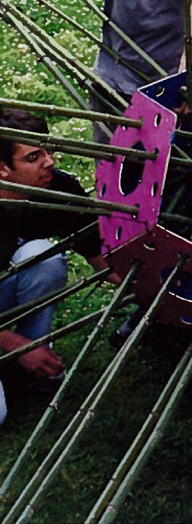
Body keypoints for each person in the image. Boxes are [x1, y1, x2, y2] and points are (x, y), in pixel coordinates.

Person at [0, 109, 117, 425]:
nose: (49, 161)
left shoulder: (58, 189)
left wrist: (153, 290)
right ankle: (20, 354)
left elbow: (100, 257)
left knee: (44, 257)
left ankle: (35, 361)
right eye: (34, 157)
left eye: (48, 150)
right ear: (2, 170)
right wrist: (12, 344)